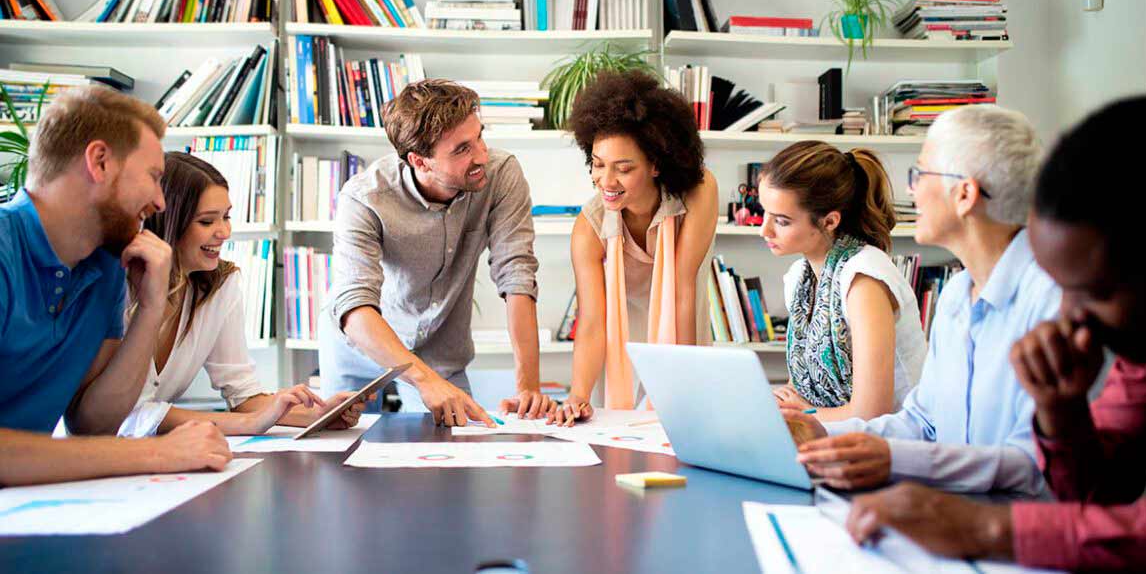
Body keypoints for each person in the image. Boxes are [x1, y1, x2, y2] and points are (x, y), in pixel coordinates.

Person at [845, 96, 1146, 572]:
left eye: (1096, 291)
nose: (1072, 315)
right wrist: (1062, 414)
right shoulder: (1139, 353)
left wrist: (987, 528)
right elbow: (1101, 493)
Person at [782, 105, 1057, 495]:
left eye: (920, 174)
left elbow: (1033, 464)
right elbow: (922, 422)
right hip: (954, 514)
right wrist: (822, 431)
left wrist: (892, 459)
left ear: (964, 195)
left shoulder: (1050, 302)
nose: (912, 190)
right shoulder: (957, 297)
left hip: (1017, 537)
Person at [0, 86, 230, 486]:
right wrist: (159, 452)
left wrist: (151, 308)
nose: (161, 202)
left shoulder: (105, 263)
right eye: (154, 177)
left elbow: (91, 423)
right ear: (100, 162)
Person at [319, 79, 548, 427]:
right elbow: (355, 305)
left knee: (458, 450)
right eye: (462, 149)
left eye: (480, 138)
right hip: (362, 346)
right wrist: (425, 381)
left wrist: (528, 388)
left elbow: (517, 275)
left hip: (439, 348)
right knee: (342, 454)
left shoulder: (501, 175)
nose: (482, 155)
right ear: (419, 161)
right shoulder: (364, 197)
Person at [117, 152, 369, 437]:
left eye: (226, 217)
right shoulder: (120, 288)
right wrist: (250, 424)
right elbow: (132, 415)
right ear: (169, 222)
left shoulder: (220, 285)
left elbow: (244, 396)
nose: (224, 232)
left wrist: (317, 414)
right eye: (206, 221)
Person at [549, 70, 719, 426]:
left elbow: (683, 290)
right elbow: (593, 321)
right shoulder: (589, 228)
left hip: (683, 329)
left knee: (682, 427)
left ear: (656, 164)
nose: (606, 182)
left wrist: (683, 384)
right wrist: (577, 394)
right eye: (597, 165)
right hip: (619, 342)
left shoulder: (698, 193)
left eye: (623, 169)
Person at [759, 141, 926, 422]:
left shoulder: (864, 279)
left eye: (782, 221)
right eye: (764, 212)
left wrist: (805, 414)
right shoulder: (799, 279)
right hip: (835, 435)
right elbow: (801, 388)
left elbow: (871, 413)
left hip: (894, 443)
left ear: (829, 221)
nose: (764, 229)